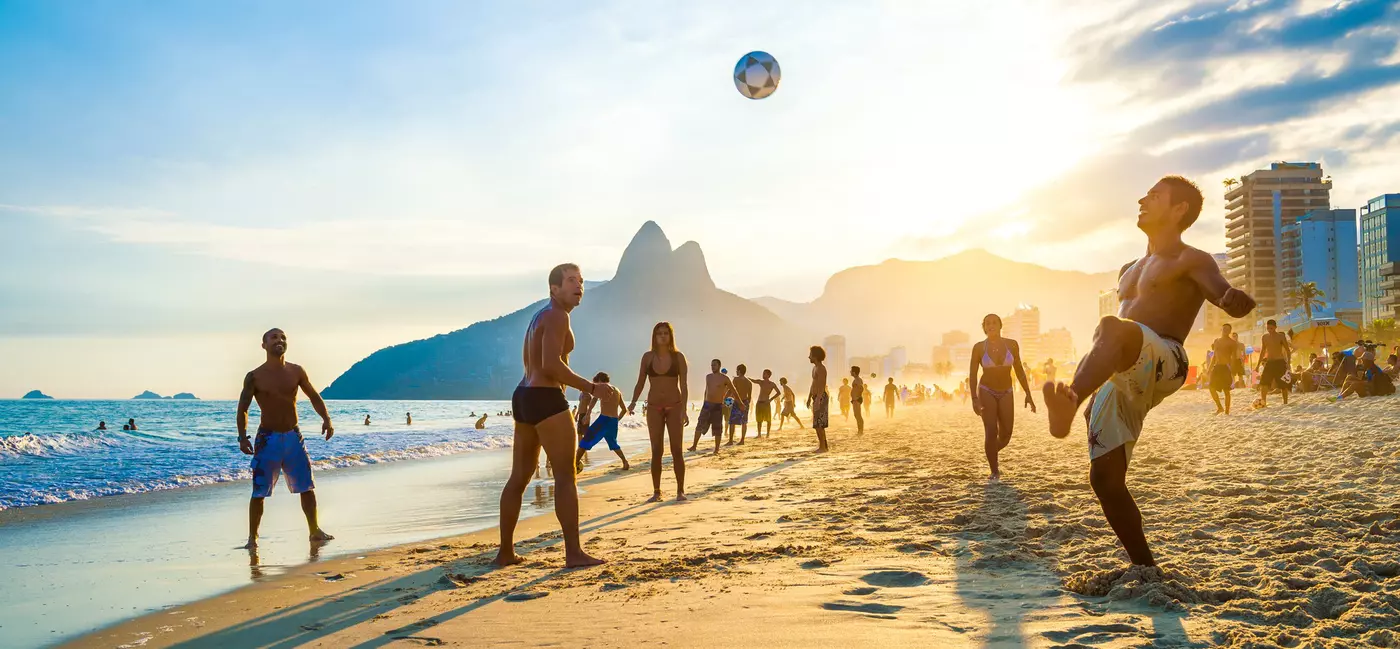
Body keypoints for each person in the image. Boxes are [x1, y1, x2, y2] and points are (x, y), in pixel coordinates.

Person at [1042, 176, 1256, 567]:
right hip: (1122, 372)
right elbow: (1114, 337)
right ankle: (1144, 566)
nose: (1142, 199)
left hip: (1166, 360)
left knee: (1110, 326)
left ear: (1179, 210)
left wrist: (1233, 301)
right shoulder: (1128, 269)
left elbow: (1220, 292)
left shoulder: (1191, 259)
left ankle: (1070, 401)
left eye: (1154, 196)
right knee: (1105, 481)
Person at [494, 263, 607, 569]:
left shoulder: (539, 316)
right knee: (566, 476)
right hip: (545, 397)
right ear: (554, 289)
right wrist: (591, 387)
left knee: (519, 478)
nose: (579, 285)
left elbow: (539, 364)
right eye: (571, 280)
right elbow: (551, 365)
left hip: (523, 396)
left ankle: (505, 552)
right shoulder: (557, 315)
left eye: (581, 281)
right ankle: (573, 553)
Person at [235, 328, 335, 550]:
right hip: (267, 438)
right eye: (274, 338)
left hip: (293, 436)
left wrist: (326, 419)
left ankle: (314, 531)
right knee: (259, 490)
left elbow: (314, 396)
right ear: (264, 345)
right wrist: (242, 437)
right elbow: (243, 408)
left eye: (283, 338)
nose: (279, 341)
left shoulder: (296, 371)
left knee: (307, 487)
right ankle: (253, 539)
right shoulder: (254, 376)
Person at [970, 314, 1035, 482]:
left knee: (1006, 434)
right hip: (986, 391)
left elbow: (1019, 370)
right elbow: (972, 375)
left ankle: (991, 451)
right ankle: (994, 470)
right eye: (987, 323)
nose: (991, 325)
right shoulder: (978, 348)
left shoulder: (1012, 345)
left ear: (1000, 325)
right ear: (984, 327)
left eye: (994, 322)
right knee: (991, 431)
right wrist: (974, 398)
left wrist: (1028, 393)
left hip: (1007, 391)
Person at [628, 322, 689, 503]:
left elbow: (684, 385)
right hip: (654, 407)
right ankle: (656, 492)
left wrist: (684, 409)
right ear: (654, 337)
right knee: (656, 450)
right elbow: (640, 382)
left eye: (665, 333)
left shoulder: (678, 357)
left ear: (670, 336)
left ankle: (680, 490)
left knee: (677, 450)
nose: (662, 336)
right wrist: (632, 403)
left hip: (675, 406)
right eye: (659, 333)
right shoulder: (647, 357)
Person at [576, 372, 630, 472]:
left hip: (604, 420)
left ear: (600, 380)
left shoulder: (602, 387)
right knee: (613, 443)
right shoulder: (617, 390)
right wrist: (617, 419)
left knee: (585, 441)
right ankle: (625, 461)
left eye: (596, 383)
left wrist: (588, 414)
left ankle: (574, 463)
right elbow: (623, 409)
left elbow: (594, 399)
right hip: (613, 421)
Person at [690, 359, 743, 455]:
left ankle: (717, 449)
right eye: (711, 365)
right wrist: (704, 401)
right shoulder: (708, 377)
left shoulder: (725, 378)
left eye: (714, 365)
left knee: (717, 428)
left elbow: (734, 391)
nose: (712, 367)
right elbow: (706, 390)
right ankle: (694, 446)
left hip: (717, 406)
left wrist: (740, 403)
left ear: (719, 366)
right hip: (707, 405)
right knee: (700, 425)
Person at [1255, 319, 1293, 408]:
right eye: (1268, 328)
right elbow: (1262, 351)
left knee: (1283, 384)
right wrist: (1257, 365)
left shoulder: (1280, 336)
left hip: (1280, 362)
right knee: (1264, 383)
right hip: (1269, 362)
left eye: (1271, 328)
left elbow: (1288, 350)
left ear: (1275, 327)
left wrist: (1288, 362)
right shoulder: (1264, 337)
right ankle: (1263, 402)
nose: (1270, 330)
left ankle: (1285, 403)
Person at [1206, 324, 1238, 414]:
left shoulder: (1232, 342)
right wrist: (1209, 368)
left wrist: (1233, 370)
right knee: (1211, 388)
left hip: (1226, 367)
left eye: (1228, 329)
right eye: (1224, 329)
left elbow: (1234, 357)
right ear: (1222, 329)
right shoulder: (1216, 341)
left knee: (1226, 390)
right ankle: (1220, 407)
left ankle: (1227, 411)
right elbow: (1214, 356)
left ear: (1230, 331)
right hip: (1217, 367)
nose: (1225, 330)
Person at [807, 346, 830, 452]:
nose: (809, 357)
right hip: (815, 396)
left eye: (810, 355)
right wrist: (809, 397)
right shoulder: (814, 368)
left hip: (821, 397)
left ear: (815, 356)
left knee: (819, 424)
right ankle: (824, 446)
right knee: (817, 423)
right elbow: (813, 384)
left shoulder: (821, 368)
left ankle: (822, 447)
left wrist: (818, 400)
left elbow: (821, 385)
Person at [750, 369, 781, 439]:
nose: (763, 375)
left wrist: (771, 399)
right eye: (763, 373)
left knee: (768, 419)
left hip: (766, 403)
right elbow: (754, 381)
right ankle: (759, 434)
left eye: (764, 374)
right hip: (759, 402)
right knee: (759, 420)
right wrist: (748, 378)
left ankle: (768, 434)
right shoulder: (761, 382)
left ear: (768, 375)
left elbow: (779, 392)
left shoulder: (772, 384)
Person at [729, 364, 756, 445]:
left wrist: (726, 399)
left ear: (739, 371)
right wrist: (747, 404)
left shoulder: (736, 380)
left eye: (737, 370)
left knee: (732, 422)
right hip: (745, 402)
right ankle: (742, 440)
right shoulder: (749, 382)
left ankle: (730, 440)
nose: (736, 371)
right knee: (744, 422)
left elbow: (732, 391)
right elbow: (750, 396)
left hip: (737, 402)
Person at [849, 367, 865, 435]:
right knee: (856, 415)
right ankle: (860, 430)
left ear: (854, 372)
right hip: (855, 399)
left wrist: (858, 397)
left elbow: (861, 388)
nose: (850, 372)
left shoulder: (858, 379)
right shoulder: (856, 379)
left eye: (851, 371)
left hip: (856, 399)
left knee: (858, 415)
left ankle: (860, 431)